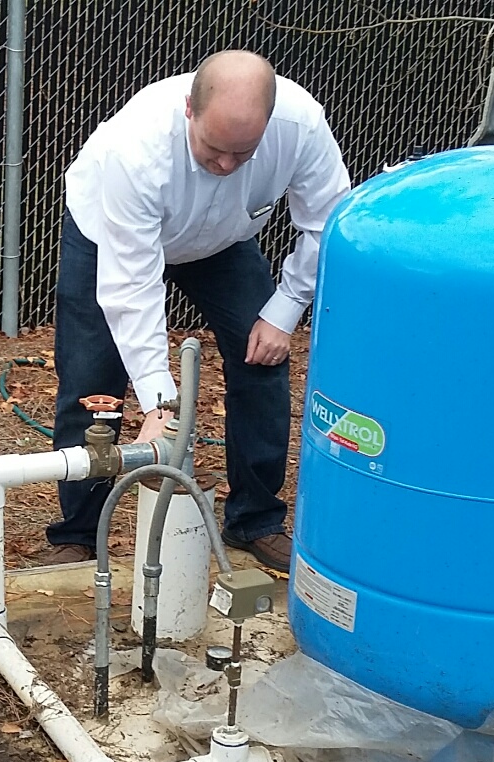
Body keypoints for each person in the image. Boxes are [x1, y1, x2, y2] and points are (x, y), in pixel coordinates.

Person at [39, 50, 351, 573]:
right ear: (189, 108)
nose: (227, 166)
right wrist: (160, 403)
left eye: (243, 153)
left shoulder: (301, 126)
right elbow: (132, 286)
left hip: (224, 241)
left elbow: (330, 223)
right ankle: (77, 535)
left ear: (269, 124)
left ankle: (256, 520)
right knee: (94, 382)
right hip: (111, 238)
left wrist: (285, 309)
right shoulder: (133, 151)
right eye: (214, 150)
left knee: (263, 361)